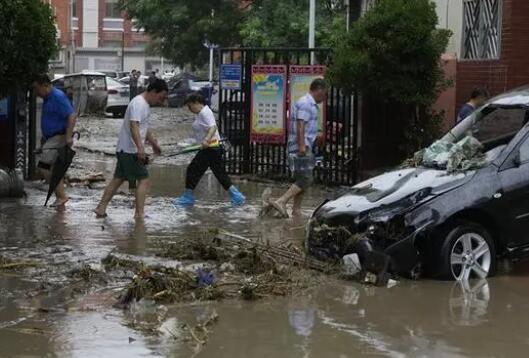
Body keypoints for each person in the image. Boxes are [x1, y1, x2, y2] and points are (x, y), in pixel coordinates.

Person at [94, 79, 168, 219]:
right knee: (144, 180)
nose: (160, 100)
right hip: (130, 150)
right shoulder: (138, 103)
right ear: (153, 91)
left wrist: (153, 144)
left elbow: (143, 128)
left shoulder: (144, 105)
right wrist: (140, 149)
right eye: (160, 97)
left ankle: (100, 208)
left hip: (125, 149)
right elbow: (134, 125)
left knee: (118, 180)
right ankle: (139, 214)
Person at [172, 93, 245, 207]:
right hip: (211, 148)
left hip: (211, 148)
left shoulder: (205, 112)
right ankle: (237, 195)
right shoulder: (202, 113)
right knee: (219, 173)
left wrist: (206, 140)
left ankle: (188, 197)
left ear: (196, 102)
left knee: (193, 169)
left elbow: (213, 127)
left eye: (190, 106)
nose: (190, 109)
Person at [270, 78, 328, 218]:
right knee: (306, 180)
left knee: (302, 180)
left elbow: (306, 126)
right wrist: (302, 146)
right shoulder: (306, 103)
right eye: (324, 94)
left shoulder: (310, 104)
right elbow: (300, 125)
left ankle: (296, 210)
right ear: (319, 90)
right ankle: (281, 201)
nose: (325, 97)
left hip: (305, 146)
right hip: (300, 147)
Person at [33, 74, 77, 208]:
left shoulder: (57, 96)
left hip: (59, 137)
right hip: (51, 138)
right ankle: (60, 196)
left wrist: (69, 137)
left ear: (45, 85)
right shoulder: (48, 97)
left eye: (37, 89)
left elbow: (72, 115)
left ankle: (61, 196)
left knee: (43, 166)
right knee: (50, 167)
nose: (36, 93)